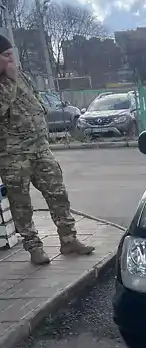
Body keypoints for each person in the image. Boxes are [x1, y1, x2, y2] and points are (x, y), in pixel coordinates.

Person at [0, 34, 94, 265]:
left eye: (11, 54)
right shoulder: (8, 79)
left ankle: (69, 240)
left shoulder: (19, 75)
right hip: (13, 155)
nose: (12, 59)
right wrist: (9, 82)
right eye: (5, 56)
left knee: (58, 194)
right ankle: (34, 247)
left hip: (40, 148)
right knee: (21, 204)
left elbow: (35, 102)